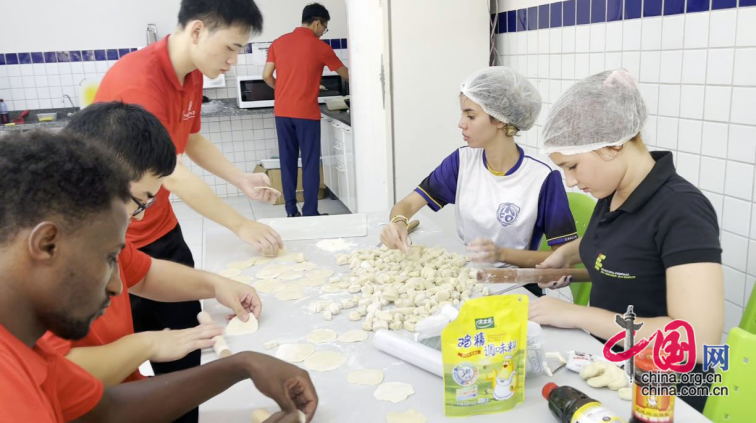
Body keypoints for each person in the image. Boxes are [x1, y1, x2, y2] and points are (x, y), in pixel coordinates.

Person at [0, 131, 316, 423]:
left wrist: (241, 365)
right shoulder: (9, 392)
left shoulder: (25, 344)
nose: (118, 285)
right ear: (46, 244)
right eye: (108, 259)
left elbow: (109, 408)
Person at [37, 102, 269, 421]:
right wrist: (147, 345)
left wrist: (216, 285)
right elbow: (54, 375)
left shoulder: (99, 232)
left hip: (124, 397)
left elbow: (146, 275)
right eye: (138, 201)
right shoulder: (38, 259)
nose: (138, 217)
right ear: (93, 175)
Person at [94, 0, 283, 391]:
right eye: (231, 47)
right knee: (126, 363)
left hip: (161, 228)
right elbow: (172, 175)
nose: (234, 60)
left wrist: (240, 180)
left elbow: (191, 138)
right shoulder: (139, 81)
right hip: (121, 241)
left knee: (185, 351)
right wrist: (240, 223)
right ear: (197, 31)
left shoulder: (192, 74)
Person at [530, 69, 724, 412]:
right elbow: (627, 249)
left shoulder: (682, 210)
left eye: (573, 166)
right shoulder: (615, 191)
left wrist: (576, 315)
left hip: (663, 389)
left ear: (613, 145)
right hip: (608, 361)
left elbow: (696, 339)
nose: (570, 182)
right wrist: (568, 255)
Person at [380, 67, 577, 295]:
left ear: (500, 120)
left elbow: (565, 258)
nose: (461, 124)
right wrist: (398, 221)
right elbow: (407, 204)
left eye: (471, 116)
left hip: (515, 287)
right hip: (467, 279)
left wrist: (502, 254)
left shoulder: (541, 179)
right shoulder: (462, 162)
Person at [263, 2, 350, 217]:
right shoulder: (320, 47)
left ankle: (291, 210)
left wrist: (283, 90)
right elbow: (347, 75)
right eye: (324, 28)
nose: (323, 32)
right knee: (310, 162)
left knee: (287, 160)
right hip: (306, 114)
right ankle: (310, 212)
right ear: (318, 23)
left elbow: (266, 76)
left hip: (282, 112)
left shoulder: (278, 42)